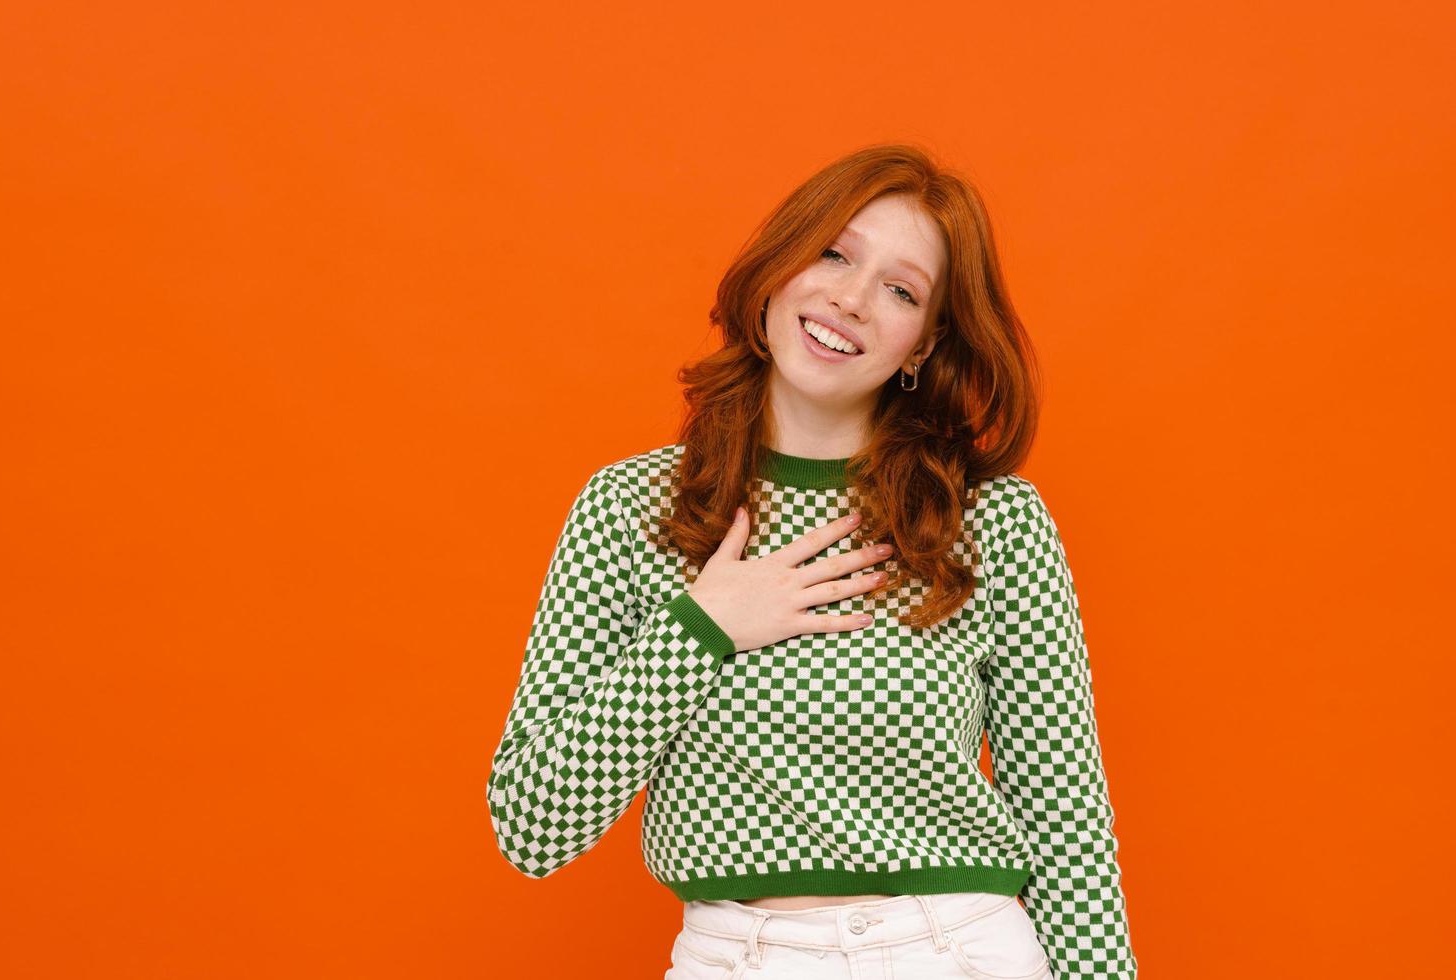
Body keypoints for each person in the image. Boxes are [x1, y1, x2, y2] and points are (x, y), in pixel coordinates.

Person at [486, 143, 1138, 979]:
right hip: (735, 959)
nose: (851, 299)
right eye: (833, 252)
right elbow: (533, 827)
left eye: (900, 290)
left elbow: (1066, 822)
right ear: (777, 265)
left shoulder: (991, 524)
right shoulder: (631, 510)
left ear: (921, 347)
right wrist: (703, 627)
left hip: (955, 954)